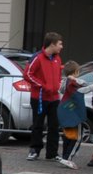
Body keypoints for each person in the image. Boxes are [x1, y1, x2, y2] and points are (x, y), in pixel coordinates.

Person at [25, 32, 65, 161]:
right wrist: (42, 86)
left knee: (54, 126)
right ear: (52, 44)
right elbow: (28, 74)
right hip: (39, 98)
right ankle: (35, 150)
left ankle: (52, 153)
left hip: (54, 98)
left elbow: (59, 74)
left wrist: (58, 85)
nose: (61, 46)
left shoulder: (57, 58)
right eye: (60, 44)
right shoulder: (37, 57)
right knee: (38, 124)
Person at [56, 61, 88, 168]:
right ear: (76, 72)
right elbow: (85, 86)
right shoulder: (74, 83)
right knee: (77, 137)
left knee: (68, 136)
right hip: (75, 113)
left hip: (66, 113)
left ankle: (65, 156)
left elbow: (60, 90)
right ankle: (68, 157)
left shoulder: (64, 82)